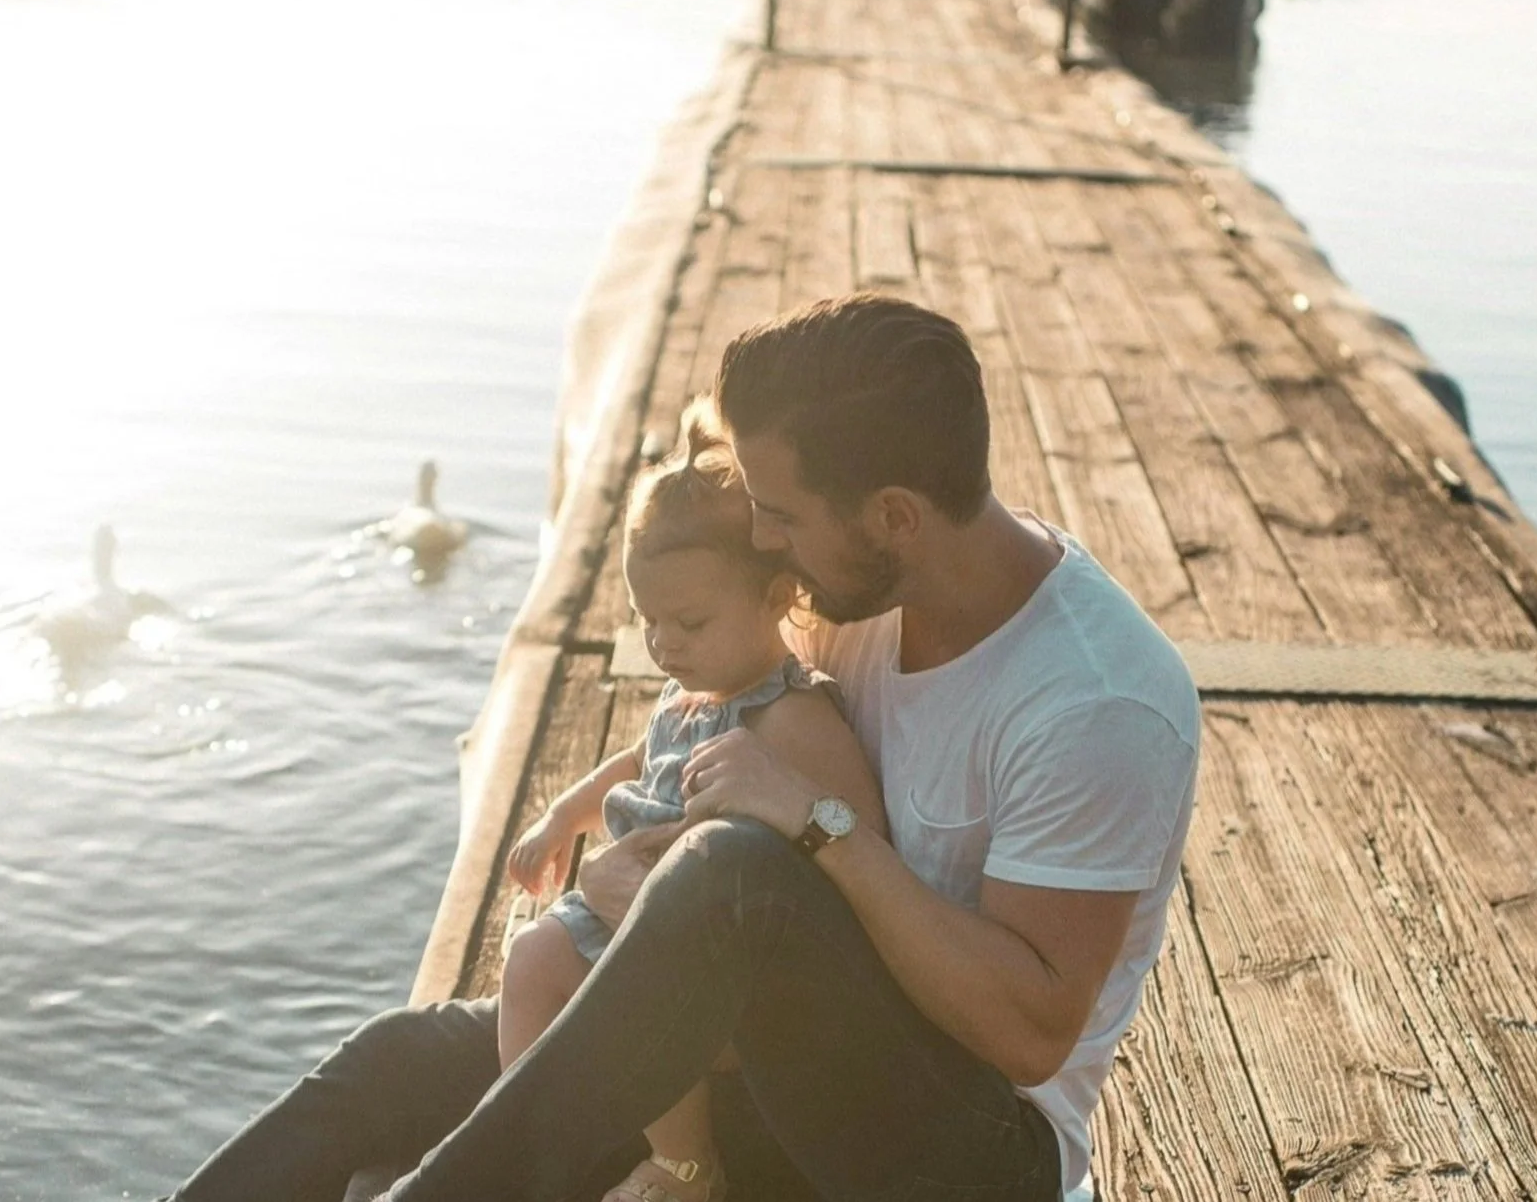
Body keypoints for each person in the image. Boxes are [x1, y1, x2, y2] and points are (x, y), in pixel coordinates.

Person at [160, 293, 1199, 1202]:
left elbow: (1028, 1035)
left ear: (893, 517)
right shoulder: (859, 588)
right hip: (764, 1055)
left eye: (781, 516)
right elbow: (716, 728)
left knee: (736, 872)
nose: (761, 542)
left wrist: (818, 830)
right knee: (401, 1063)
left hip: (963, 1151)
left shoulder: (1096, 703)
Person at [499, 403, 886, 1202]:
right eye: (647, 622)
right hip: (625, 899)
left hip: (711, 942)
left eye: (690, 621)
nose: (665, 644)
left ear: (779, 596)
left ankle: (685, 1162)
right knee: (529, 959)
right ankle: (530, 1140)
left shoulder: (791, 714)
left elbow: (861, 838)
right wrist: (561, 817)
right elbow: (633, 761)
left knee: (651, 995)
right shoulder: (688, 695)